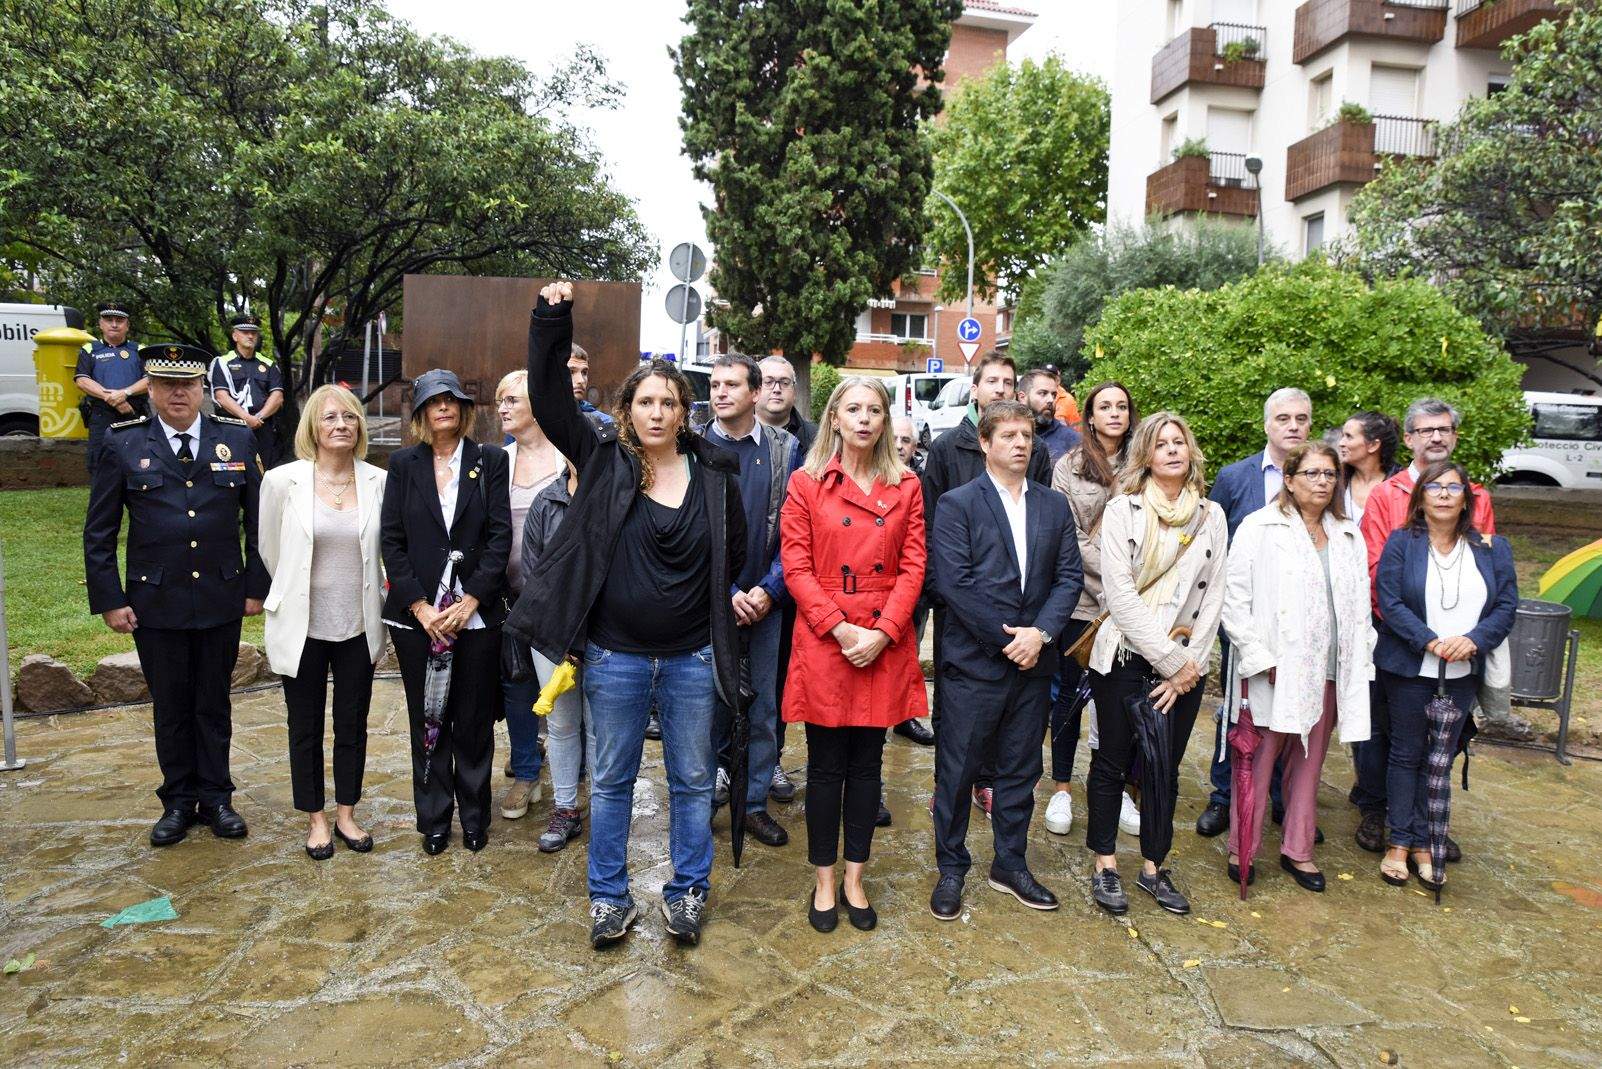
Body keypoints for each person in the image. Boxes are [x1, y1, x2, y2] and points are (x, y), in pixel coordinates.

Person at [507, 281, 745, 950]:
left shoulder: (716, 476)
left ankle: (687, 889)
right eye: (645, 400)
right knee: (610, 781)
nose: (657, 411)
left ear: (684, 411)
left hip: (693, 657)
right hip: (614, 657)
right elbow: (550, 397)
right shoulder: (605, 459)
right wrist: (551, 320)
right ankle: (609, 899)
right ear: (626, 409)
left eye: (669, 401)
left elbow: (738, 552)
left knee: (693, 779)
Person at [83, 344, 267, 846]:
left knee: (214, 704)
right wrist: (109, 599)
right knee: (171, 706)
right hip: (155, 600)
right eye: (166, 384)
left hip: (220, 596)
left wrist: (255, 587)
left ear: (202, 389)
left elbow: (259, 524)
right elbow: (99, 530)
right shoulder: (123, 443)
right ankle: (178, 802)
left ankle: (217, 798)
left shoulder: (235, 439)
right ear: (151, 389)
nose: (178, 393)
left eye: (187, 384)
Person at [781, 376, 926, 933]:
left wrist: (884, 632)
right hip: (826, 638)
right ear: (834, 419)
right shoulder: (805, 483)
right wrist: (840, 630)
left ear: (886, 421)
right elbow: (795, 566)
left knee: (868, 767)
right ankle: (822, 879)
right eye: (853, 409)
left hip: (881, 639)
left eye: (875, 410)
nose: (864, 419)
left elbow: (915, 566)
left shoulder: (907, 485)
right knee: (823, 767)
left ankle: (855, 878)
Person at [929, 400, 1083, 920]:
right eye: (1009, 435)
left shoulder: (1054, 506)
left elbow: (1068, 579)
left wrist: (1039, 634)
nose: (1021, 443)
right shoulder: (958, 504)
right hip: (975, 663)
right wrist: (1007, 640)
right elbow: (954, 583)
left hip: (1033, 663)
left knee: (1020, 769)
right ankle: (951, 868)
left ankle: (1010, 864)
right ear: (986, 444)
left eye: (1026, 435)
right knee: (958, 769)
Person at [1084, 413, 1227, 917]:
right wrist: (1166, 659)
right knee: (1112, 762)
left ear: (1190, 452)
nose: (1172, 450)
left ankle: (1152, 867)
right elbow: (1118, 594)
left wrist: (1188, 666)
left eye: (1179, 442)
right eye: (1161, 443)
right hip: (1124, 657)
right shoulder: (1124, 508)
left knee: (1162, 770)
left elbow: (1215, 598)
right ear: (1145, 454)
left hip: (1184, 666)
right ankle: (1104, 864)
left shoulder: (1212, 515)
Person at [1221, 442, 1372, 893]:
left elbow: (1359, 605)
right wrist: (1257, 655)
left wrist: (1359, 657)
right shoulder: (1260, 526)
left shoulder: (1348, 533)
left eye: (1329, 474)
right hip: (1273, 669)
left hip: (1326, 668)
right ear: (1289, 479)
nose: (1322, 482)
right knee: (1258, 760)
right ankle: (1241, 847)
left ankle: (1298, 850)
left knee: (1310, 763)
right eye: (1311, 473)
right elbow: (1234, 599)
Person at [1350, 398, 1498, 855]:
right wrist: (1418, 632)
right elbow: (1374, 570)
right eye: (1426, 430)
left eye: (1445, 429)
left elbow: (1490, 573)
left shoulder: (1475, 495)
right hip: (1394, 635)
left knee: (1445, 736)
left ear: (1454, 436)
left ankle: (1423, 816)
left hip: (1459, 647)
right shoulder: (1385, 494)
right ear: (1409, 438)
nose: (1436, 437)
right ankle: (1380, 810)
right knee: (1384, 732)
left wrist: (1461, 639)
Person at [381, 369, 511, 857]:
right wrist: (419, 606)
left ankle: (475, 816)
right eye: (433, 401)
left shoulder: (489, 461)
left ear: (464, 409)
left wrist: (473, 599)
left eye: (452, 400)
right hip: (419, 620)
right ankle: (434, 819)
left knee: (474, 719)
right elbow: (391, 540)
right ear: (420, 412)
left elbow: (500, 537)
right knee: (428, 718)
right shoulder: (402, 465)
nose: (443, 407)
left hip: (475, 616)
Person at [1374, 461, 1517, 892]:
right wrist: (1429, 640)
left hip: (1461, 670)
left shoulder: (1493, 548)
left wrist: (1473, 640)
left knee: (1441, 756)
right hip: (1409, 666)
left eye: (1452, 487)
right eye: (1433, 486)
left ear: (1466, 499)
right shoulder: (1402, 543)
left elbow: (1506, 605)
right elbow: (1389, 598)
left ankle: (1426, 841)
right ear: (1420, 497)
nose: (1442, 494)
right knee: (1406, 753)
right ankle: (1399, 842)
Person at [922, 351, 1053, 817]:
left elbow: (1040, 528)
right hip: (959, 603)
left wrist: (1032, 624)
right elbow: (931, 522)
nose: (999, 387)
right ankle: (950, 781)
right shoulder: (946, 448)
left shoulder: (1032, 456)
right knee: (957, 706)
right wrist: (943, 591)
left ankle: (990, 780)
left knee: (1012, 707)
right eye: (991, 380)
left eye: (1007, 381)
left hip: (1019, 610)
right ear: (974, 388)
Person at [258, 385, 387, 860]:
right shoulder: (281, 481)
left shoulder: (379, 481)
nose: (341, 425)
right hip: (302, 626)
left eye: (350, 417)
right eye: (330, 417)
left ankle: (347, 813)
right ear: (313, 425)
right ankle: (315, 818)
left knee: (352, 723)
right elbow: (271, 549)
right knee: (305, 724)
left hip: (357, 623)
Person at [1196, 387, 1312, 839]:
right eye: (1283, 418)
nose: (1293, 427)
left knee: (1295, 706)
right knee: (1237, 706)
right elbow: (1214, 545)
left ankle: (1282, 799)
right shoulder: (1235, 477)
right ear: (1267, 425)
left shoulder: (1320, 477)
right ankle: (1225, 795)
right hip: (1244, 615)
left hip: (1300, 619)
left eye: (1301, 419)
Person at [702, 353, 800, 846]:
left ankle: (755, 802)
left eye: (732, 385)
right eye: (715, 384)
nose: (720, 392)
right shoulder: (693, 448)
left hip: (767, 603)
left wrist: (769, 589)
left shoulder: (785, 450)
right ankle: (703, 799)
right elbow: (688, 532)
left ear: (756, 393)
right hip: (706, 606)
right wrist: (729, 591)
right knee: (705, 706)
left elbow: (796, 533)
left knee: (762, 708)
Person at [1046, 381, 1139, 839]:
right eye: (1106, 406)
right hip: (1084, 600)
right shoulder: (1069, 466)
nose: (1115, 414)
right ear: (1089, 415)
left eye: (1122, 406)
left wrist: (1130, 583)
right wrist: (1117, 572)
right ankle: (1061, 786)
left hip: (1136, 607)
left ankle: (1114, 787)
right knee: (1069, 697)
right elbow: (1068, 534)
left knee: (1119, 700)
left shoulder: (1145, 462)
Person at [495, 369, 567, 821]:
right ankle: (526, 772)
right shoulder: (495, 462)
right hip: (508, 597)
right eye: (500, 400)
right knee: (516, 683)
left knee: (562, 691)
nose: (502, 408)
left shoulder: (567, 459)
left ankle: (570, 778)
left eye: (512, 401)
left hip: (561, 601)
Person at [518, 457, 588, 852]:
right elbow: (532, 573)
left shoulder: (621, 495)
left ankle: (610, 809)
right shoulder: (547, 502)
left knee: (603, 729)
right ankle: (565, 808)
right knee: (561, 723)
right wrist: (559, 630)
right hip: (552, 633)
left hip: (608, 636)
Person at [758, 354, 819, 794]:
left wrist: (775, 586)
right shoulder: (722, 438)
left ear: (795, 391)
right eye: (768, 382)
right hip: (735, 583)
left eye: (785, 382)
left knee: (776, 680)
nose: (776, 389)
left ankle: (771, 759)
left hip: (790, 583)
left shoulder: (814, 442)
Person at [73, 300, 146, 472]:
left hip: (133, 415)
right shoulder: (89, 349)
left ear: (127, 325)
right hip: (101, 416)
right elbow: (82, 380)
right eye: (108, 320)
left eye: (119, 321)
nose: (114, 324)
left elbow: (150, 380)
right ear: (100, 324)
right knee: (100, 465)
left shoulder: (140, 350)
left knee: (137, 465)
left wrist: (126, 393)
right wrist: (113, 398)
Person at [207, 314, 285, 469]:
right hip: (232, 427)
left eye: (254, 332)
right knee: (234, 471)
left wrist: (258, 417)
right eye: (245, 332)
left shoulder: (268, 364)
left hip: (262, 428)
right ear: (235, 336)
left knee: (265, 473)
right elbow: (221, 396)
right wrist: (246, 418)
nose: (250, 336)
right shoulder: (222, 363)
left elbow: (277, 397)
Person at [1338, 411, 1400, 524]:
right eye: (1342, 436)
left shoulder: (1401, 487)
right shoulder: (1336, 480)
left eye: (1349, 437)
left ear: (1373, 445)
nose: (1341, 443)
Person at [1018, 368, 1080, 464]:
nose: (1051, 400)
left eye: (1054, 395)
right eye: (1043, 393)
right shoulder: (1007, 434)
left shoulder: (1073, 441)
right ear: (1022, 397)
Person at [567, 342, 615, 427]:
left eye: (584, 373)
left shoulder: (606, 424)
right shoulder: (537, 419)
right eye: (571, 372)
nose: (581, 380)